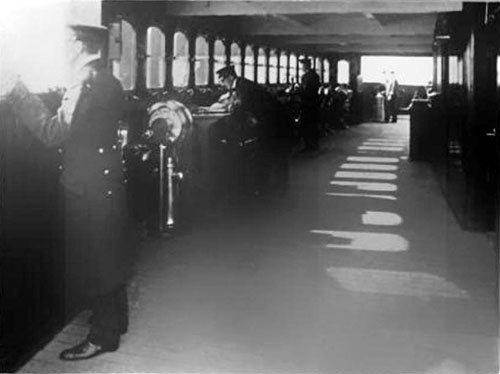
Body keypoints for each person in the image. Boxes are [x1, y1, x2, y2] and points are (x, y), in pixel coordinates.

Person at [4, 24, 136, 360]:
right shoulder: (107, 78)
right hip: (105, 180)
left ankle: (103, 336)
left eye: (68, 44)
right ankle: (116, 320)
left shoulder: (85, 82)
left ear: (80, 46)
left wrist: (18, 92)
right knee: (109, 250)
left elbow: (53, 133)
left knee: (97, 257)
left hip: (87, 184)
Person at [214, 65, 292, 195]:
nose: (222, 84)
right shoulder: (241, 84)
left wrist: (226, 108)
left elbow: (242, 107)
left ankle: (272, 187)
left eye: (222, 81)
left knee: (274, 153)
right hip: (270, 119)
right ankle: (271, 185)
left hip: (273, 121)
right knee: (271, 153)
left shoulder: (243, 87)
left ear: (230, 77)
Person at [298, 58, 321, 153]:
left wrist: (299, 92)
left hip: (307, 103)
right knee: (312, 125)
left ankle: (309, 145)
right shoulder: (315, 75)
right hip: (314, 103)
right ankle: (313, 145)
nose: (302, 67)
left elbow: (306, 90)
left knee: (307, 125)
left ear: (306, 65)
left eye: (302, 65)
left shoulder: (307, 76)